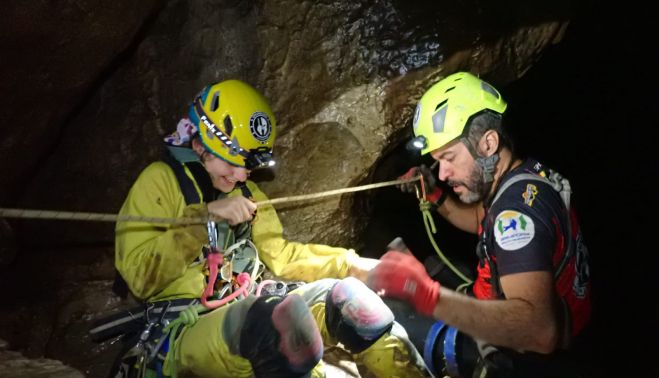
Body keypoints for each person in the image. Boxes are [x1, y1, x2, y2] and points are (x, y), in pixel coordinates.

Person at [109, 79, 427, 377]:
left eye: (248, 165)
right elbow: (140, 278)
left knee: (353, 302)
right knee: (274, 323)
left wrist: (355, 265)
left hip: (246, 308)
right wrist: (201, 219)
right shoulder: (160, 181)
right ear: (202, 144)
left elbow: (281, 255)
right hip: (186, 330)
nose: (243, 175)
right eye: (233, 162)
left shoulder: (244, 193)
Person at [367, 71, 591, 378]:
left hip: (523, 355)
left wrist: (426, 295)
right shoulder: (523, 177)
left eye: (449, 157)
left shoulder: (516, 214)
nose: (442, 173)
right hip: (556, 320)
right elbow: (481, 222)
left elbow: (540, 333)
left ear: (488, 144)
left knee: (389, 319)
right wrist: (434, 195)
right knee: (432, 265)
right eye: (437, 161)